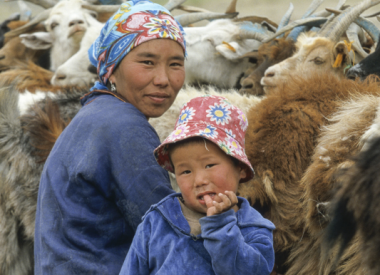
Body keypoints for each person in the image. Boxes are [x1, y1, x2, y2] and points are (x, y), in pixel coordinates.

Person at [34, 1, 186, 274]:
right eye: (147, 62)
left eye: (175, 64)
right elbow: (170, 233)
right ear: (112, 69)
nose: (164, 79)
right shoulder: (124, 126)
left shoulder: (96, 112)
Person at [119, 95, 276, 275]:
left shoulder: (253, 228)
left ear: (239, 168)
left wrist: (221, 226)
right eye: (185, 171)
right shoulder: (157, 221)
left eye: (209, 165)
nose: (199, 180)